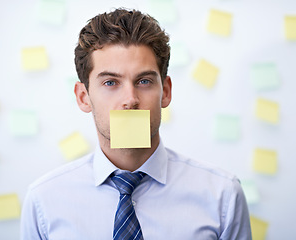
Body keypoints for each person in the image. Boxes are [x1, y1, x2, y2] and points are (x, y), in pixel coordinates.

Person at [20, 8, 252, 240]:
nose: (130, 99)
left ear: (166, 92)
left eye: (143, 81)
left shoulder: (223, 195)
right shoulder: (43, 201)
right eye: (111, 82)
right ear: (83, 97)